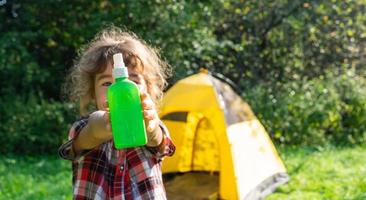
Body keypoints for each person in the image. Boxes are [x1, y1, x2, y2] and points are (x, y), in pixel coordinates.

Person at [58, 26, 175, 199]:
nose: (118, 89)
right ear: (92, 92)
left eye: (133, 81)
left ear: (148, 89)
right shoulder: (83, 127)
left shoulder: (151, 123)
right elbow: (79, 145)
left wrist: (150, 128)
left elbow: (160, 144)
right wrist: (95, 130)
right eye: (106, 83)